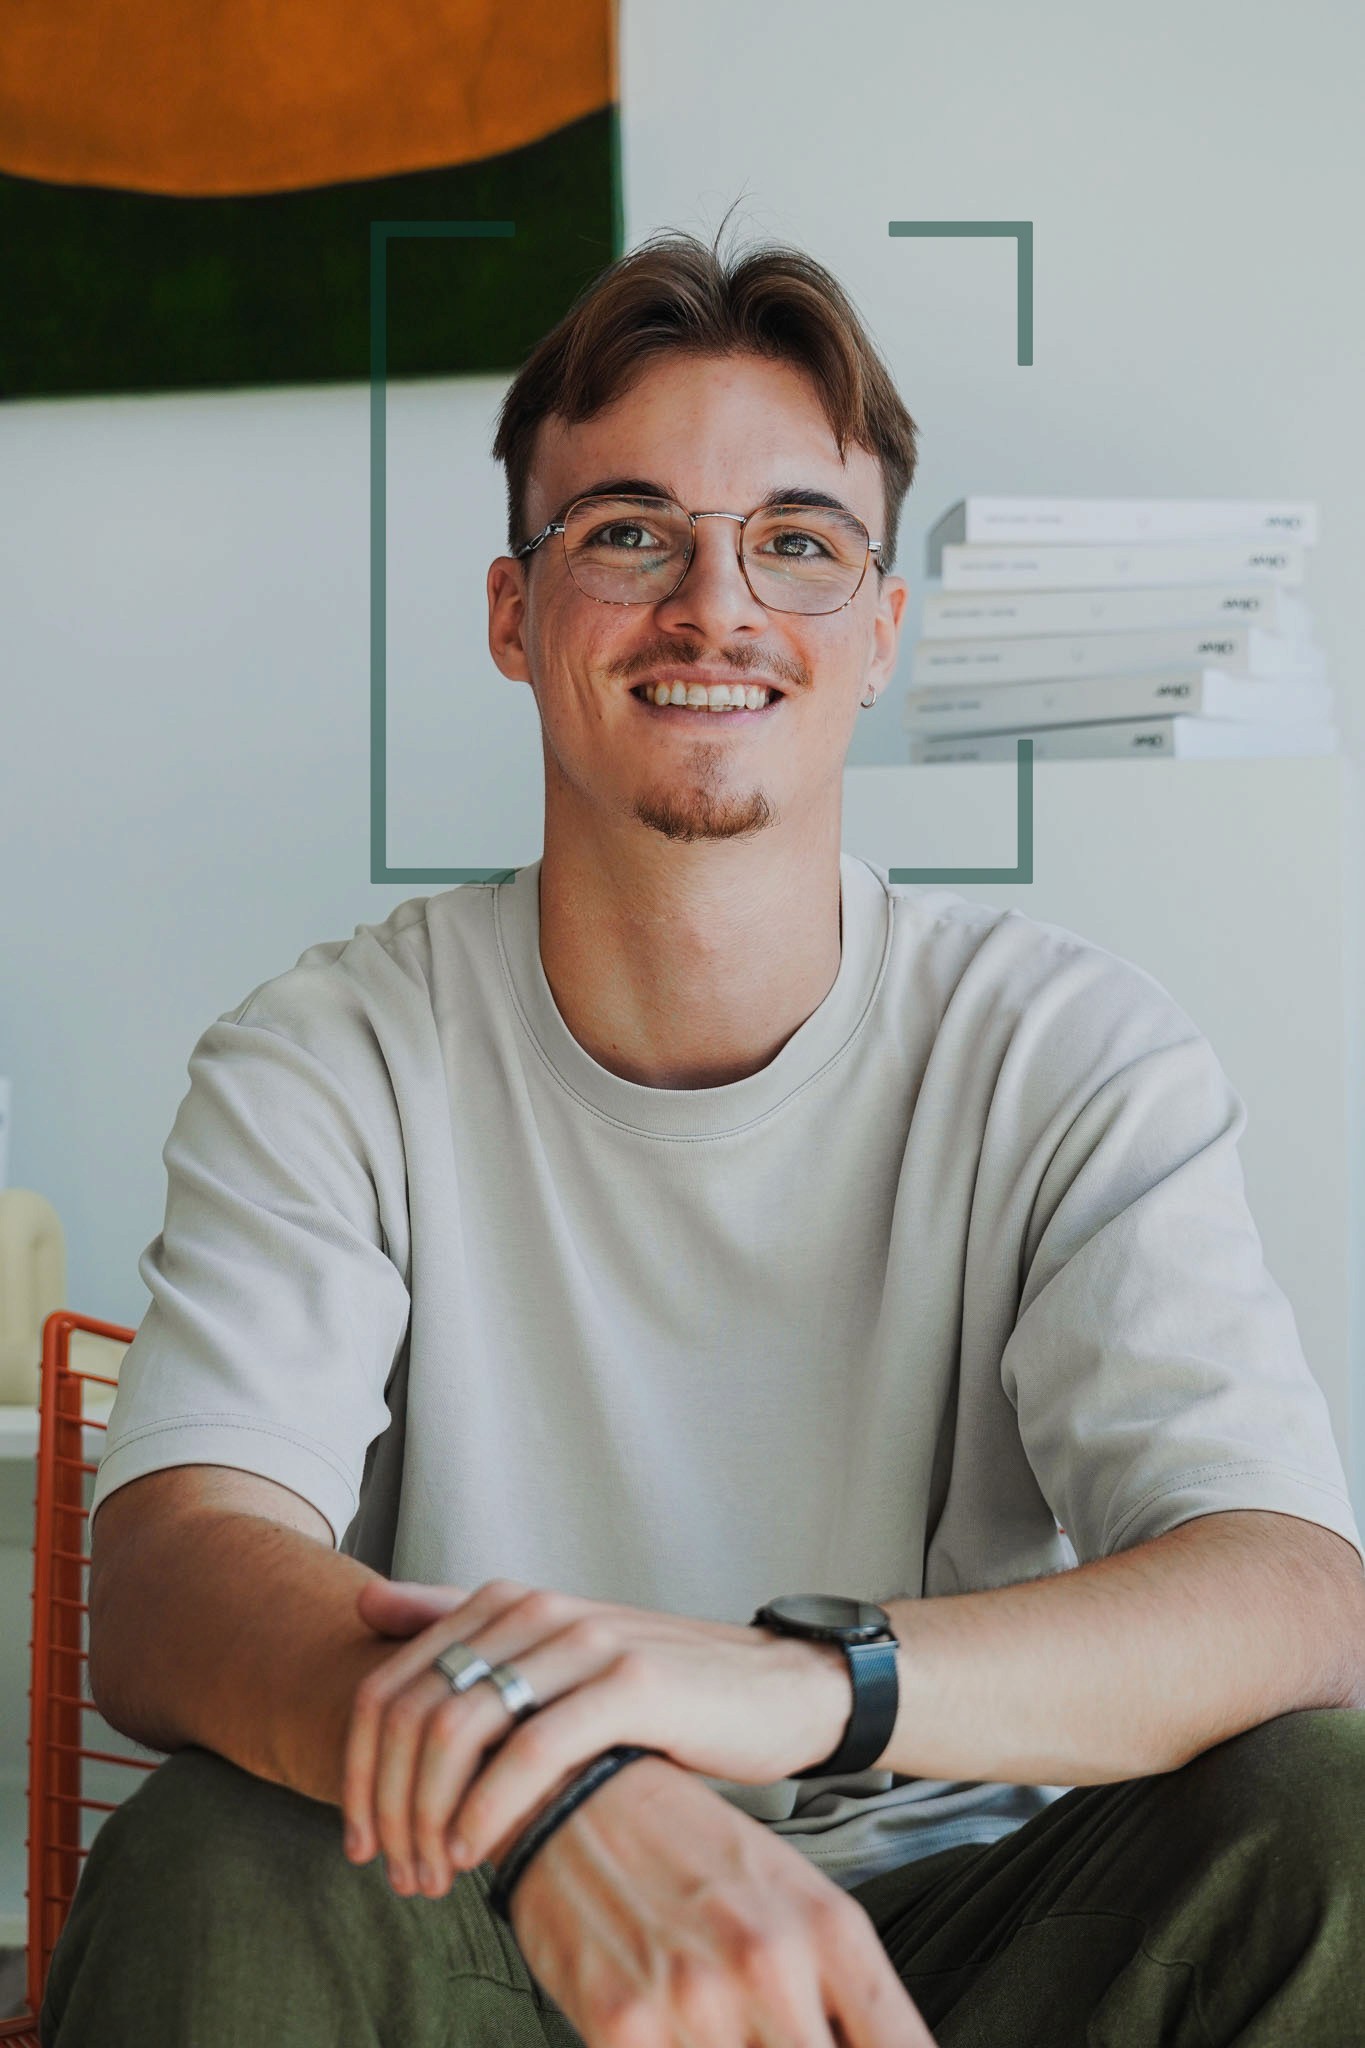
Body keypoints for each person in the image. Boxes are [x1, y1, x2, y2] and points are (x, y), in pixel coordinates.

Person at [44, 217, 1365, 2048]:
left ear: (880, 631)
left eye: (799, 546)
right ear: (515, 616)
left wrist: (797, 1686)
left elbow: (1291, 1593)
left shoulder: (1070, 1053)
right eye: (629, 533)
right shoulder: (331, 1053)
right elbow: (178, 1577)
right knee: (213, 1855)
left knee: (1341, 1816)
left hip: (973, 1944)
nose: (717, 607)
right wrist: (567, 1785)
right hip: (494, 1918)